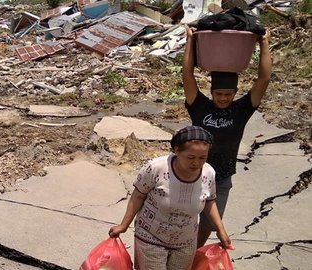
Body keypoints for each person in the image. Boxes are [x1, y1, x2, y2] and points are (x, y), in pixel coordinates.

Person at [182, 27, 272, 248]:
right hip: (193, 172)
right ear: (211, 92)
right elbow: (187, 75)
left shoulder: (241, 109)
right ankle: (181, 253)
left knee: (209, 224)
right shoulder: (200, 106)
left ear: (235, 93)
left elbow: (264, 78)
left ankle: (193, 254)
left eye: (228, 95)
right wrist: (190, 42)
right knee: (183, 219)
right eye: (219, 94)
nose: (223, 98)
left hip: (222, 178)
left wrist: (264, 44)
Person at [108, 126, 233, 270]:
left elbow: (209, 201)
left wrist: (220, 230)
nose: (197, 163)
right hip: (150, 237)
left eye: (202, 158)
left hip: (186, 241)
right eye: (191, 157)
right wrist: (124, 225)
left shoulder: (208, 173)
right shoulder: (156, 168)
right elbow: (138, 196)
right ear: (176, 151)